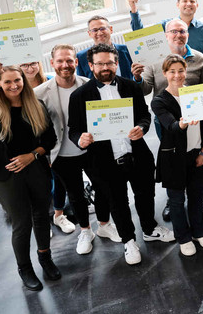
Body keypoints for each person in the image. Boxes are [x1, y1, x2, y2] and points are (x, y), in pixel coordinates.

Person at [68, 44, 175, 266]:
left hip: (136, 153)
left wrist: (142, 128)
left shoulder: (130, 86)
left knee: (145, 194)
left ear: (116, 63)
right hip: (103, 160)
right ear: (90, 66)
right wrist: (80, 139)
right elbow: (73, 129)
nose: (105, 67)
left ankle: (149, 229)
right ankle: (128, 241)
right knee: (118, 202)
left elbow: (144, 115)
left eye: (110, 62)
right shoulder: (79, 95)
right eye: (100, 63)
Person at [0, 62, 60, 291]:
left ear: (24, 81)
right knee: (21, 223)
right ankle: (25, 268)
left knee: (42, 215)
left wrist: (32, 155)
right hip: (7, 174)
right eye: (7, 82)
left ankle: (45, 258)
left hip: (35, 168)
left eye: (17, 80)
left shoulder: (36, 105)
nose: (13, 85)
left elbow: (49, 140)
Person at [34, 45, 97, 253]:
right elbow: (36, 129)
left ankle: (105, 225)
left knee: (102, 188)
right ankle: (86, 231)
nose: (65, 65)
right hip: (62, 154)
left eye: (69, 60)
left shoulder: (90, 85)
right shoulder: (39, 93)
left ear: (76, 62)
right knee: (76, 195)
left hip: (91, 150)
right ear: (52, 64)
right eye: (60, 61)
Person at [151, 55, 203, 256]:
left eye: (180, 70)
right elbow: (170, 126)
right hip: (173, 159)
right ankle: (183, 237)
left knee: (196, 196)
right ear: (165, 74)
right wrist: (183, 122)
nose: (177, 75)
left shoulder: (196, 93)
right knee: (177, 200)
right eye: (172, 71)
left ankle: (199, 232)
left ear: (185, 71)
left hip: (197, 154)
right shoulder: (159, 101)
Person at [128, 0, 203, 65]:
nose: (189, 4)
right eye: (185, 1)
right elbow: (140, 35)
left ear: (197, 5)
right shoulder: (165, 26)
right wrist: (134, 8)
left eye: (192, 1)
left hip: (195, 77)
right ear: (177, 5)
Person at [140, 18, 203, 98]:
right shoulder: (154, 59)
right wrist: (138, 78)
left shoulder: (200, 59)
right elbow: (144, 91)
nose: (179, 35)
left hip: (192, 106)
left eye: (182, 31)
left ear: (187, 35)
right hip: (162, 107)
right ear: (166, 36)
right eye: (174, 32)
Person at [75, 16, 141, 81]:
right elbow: (82, 83)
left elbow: (135, 77)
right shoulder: (81, 57)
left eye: (102, 28)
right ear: (89, 33)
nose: (100, 33)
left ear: (111, 29)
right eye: (95, 30)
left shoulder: (127, 50)